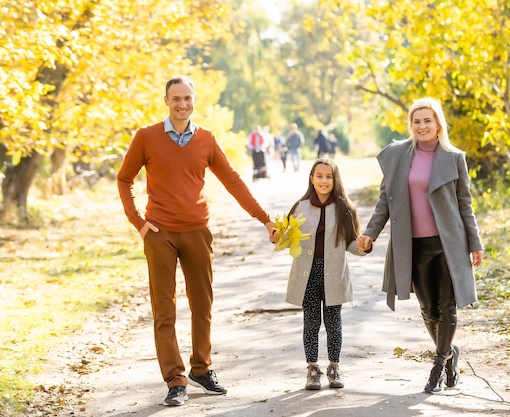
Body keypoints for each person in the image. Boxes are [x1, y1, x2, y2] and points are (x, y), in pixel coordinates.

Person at [117, 75, 276, 407]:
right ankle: (175, 380)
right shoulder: (147, 136)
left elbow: (232, 180)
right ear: (166, 101)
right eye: (176, 98)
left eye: (187, 98)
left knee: (202, 305)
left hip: (197, 232)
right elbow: (124, 178)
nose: (182, 104)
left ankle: (201, 369)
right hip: (158, 234)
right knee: (164, 310)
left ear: (194, 101)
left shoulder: (205, 138)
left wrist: (263, 218)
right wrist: (139, 223)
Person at [356, 97, 484, 394]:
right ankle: (451, 354)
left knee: (447, 307)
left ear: (438, 124)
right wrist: (370, 234)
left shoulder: (454, 158)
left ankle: (438, 365)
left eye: (428, 120)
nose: (422, 125)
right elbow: (383, 203)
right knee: (428, 310)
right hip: (412, 245)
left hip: (447, 243)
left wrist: (474, 242)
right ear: (411, 125)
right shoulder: (397, 157)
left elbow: (465, 205)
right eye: (417, 121)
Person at [282, 158, 367, 390]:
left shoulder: (345, 209)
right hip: (307, 274)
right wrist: (279, 236)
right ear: (311, 178)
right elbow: (288, 239)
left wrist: (364, 246)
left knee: (333, 322)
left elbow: (351, 244)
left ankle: (334, 366)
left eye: (329, 176)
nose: (324, 180)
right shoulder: (300, 207)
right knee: (310, 322)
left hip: (333, 274)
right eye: (319, 176)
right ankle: (312, 369)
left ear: (335, 180)